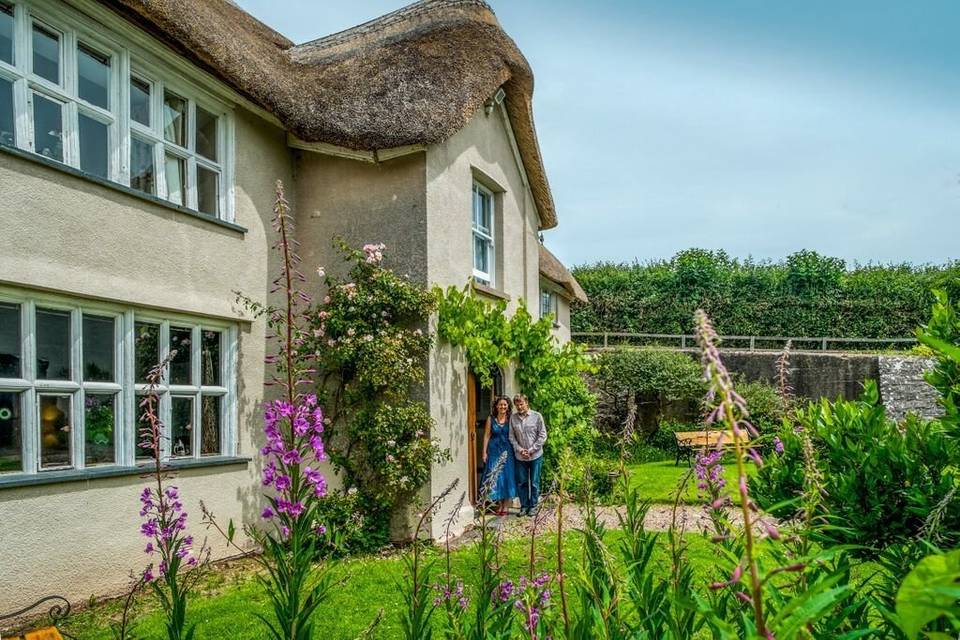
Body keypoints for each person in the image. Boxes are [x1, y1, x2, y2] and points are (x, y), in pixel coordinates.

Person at [509, 393, 547, 517]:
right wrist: (520, 450)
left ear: (526, 403)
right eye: (517, 405)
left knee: (534, 482)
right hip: (520, 456)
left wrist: (531, 450)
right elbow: (511, 437)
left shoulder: (537, 416)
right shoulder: (513, 418)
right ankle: (524, 506)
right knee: (522, 482)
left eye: (521, 404)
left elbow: (542, 435)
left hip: (535, 455)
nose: (519, 407)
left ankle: (533, 506)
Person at [481, 396, 518, 515]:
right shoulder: (490, 419)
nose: (503, 407)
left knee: (507, 477)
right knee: (495, 476)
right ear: (496, 406)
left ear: (508, 407)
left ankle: (506, 506)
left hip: (508, 451)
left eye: (505, 405)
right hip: (494, 451)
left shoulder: (511, 419)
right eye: (500, 405)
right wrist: (484, 452)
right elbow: (487, 435)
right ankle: (499, 504)